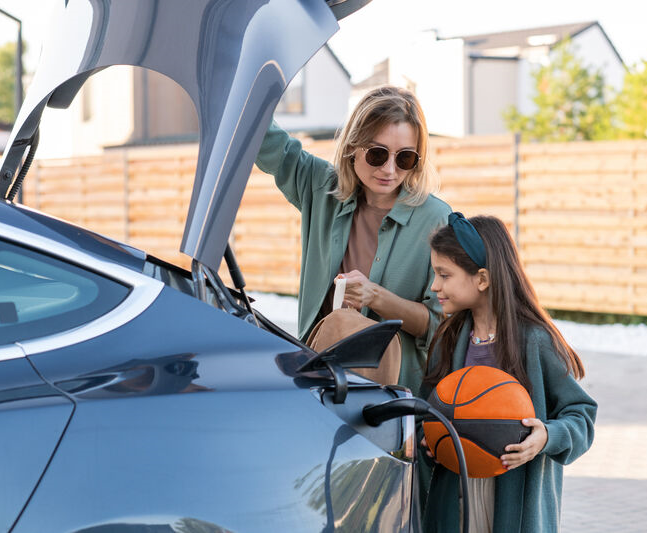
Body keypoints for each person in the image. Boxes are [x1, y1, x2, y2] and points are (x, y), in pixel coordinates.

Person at [255, 85, 451, 396]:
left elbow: (440, 325)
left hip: (392, 384)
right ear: (352, 146)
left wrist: (377, 298)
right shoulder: (321, 188)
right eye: (377, 154)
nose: (389, 169)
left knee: (344, 326)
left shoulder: (436, 220)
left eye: (405, 159)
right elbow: (263, 139)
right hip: (318, 367)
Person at [420, 213, 597, 533]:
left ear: (482, 279)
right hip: (457, 495)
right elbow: (428, 411)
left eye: (444, 275)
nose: (435, 286)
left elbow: (581, 415)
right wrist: (429, 437)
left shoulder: (535, 341)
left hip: (512, 501)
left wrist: (546, 435)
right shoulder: (449, 339)